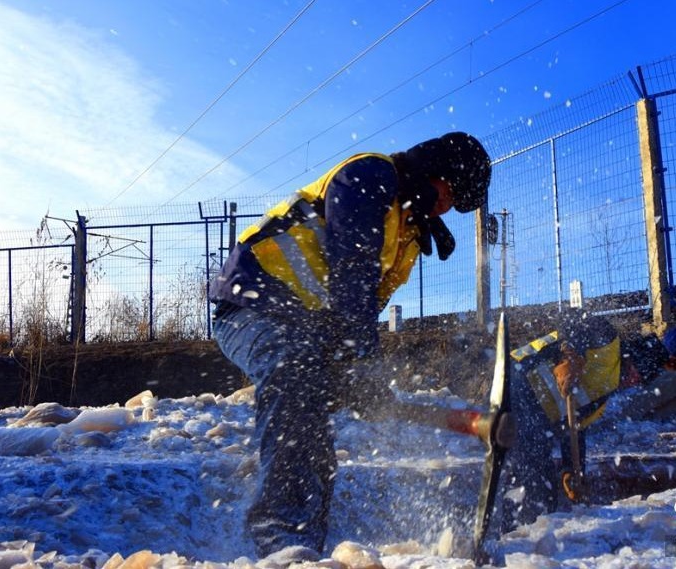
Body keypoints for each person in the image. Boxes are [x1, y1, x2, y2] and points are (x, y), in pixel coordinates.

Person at [210, 132, 491, 560]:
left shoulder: (406, 234)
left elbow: (360, 310)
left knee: (313, 436)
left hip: (308, 331)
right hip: (253, 303)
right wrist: (360, 363)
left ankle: (305, 548)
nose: (445, 207)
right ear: (431, 168)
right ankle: (280, 543)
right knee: (293, 373)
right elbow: (352, 274)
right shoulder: (370, 174)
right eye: (447, 192)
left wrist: (357, 377)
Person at [502, 309, 648, 530]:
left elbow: (574, 430)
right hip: (517, 376)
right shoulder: (609, 345)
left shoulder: (603, 396)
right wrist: (570, 353)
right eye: (638, 373)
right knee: (536, 485)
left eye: (639, 380)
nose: (634, 381)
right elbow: (575, 318)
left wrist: (571, 470)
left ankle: (523, 546)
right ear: (633, 358)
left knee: (541, 490)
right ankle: (515, 540)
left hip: (534, 415)